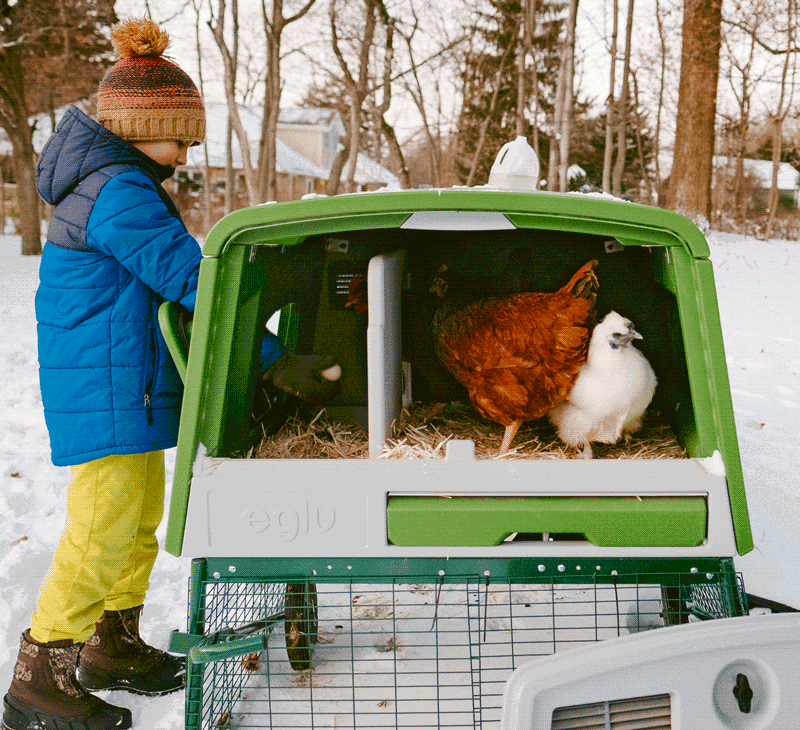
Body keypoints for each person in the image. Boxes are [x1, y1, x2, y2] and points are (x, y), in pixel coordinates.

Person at [2, 18, 340, 730]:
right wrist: (273, 362)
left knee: (136, 523)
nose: (185, 154)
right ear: (135, 126)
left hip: (128, 380)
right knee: (101, 529)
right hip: (107, 383)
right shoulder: (119, 190)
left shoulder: (121, 181)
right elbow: (195, 283)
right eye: (179, 138)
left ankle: (113, 646)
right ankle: (41, 673)